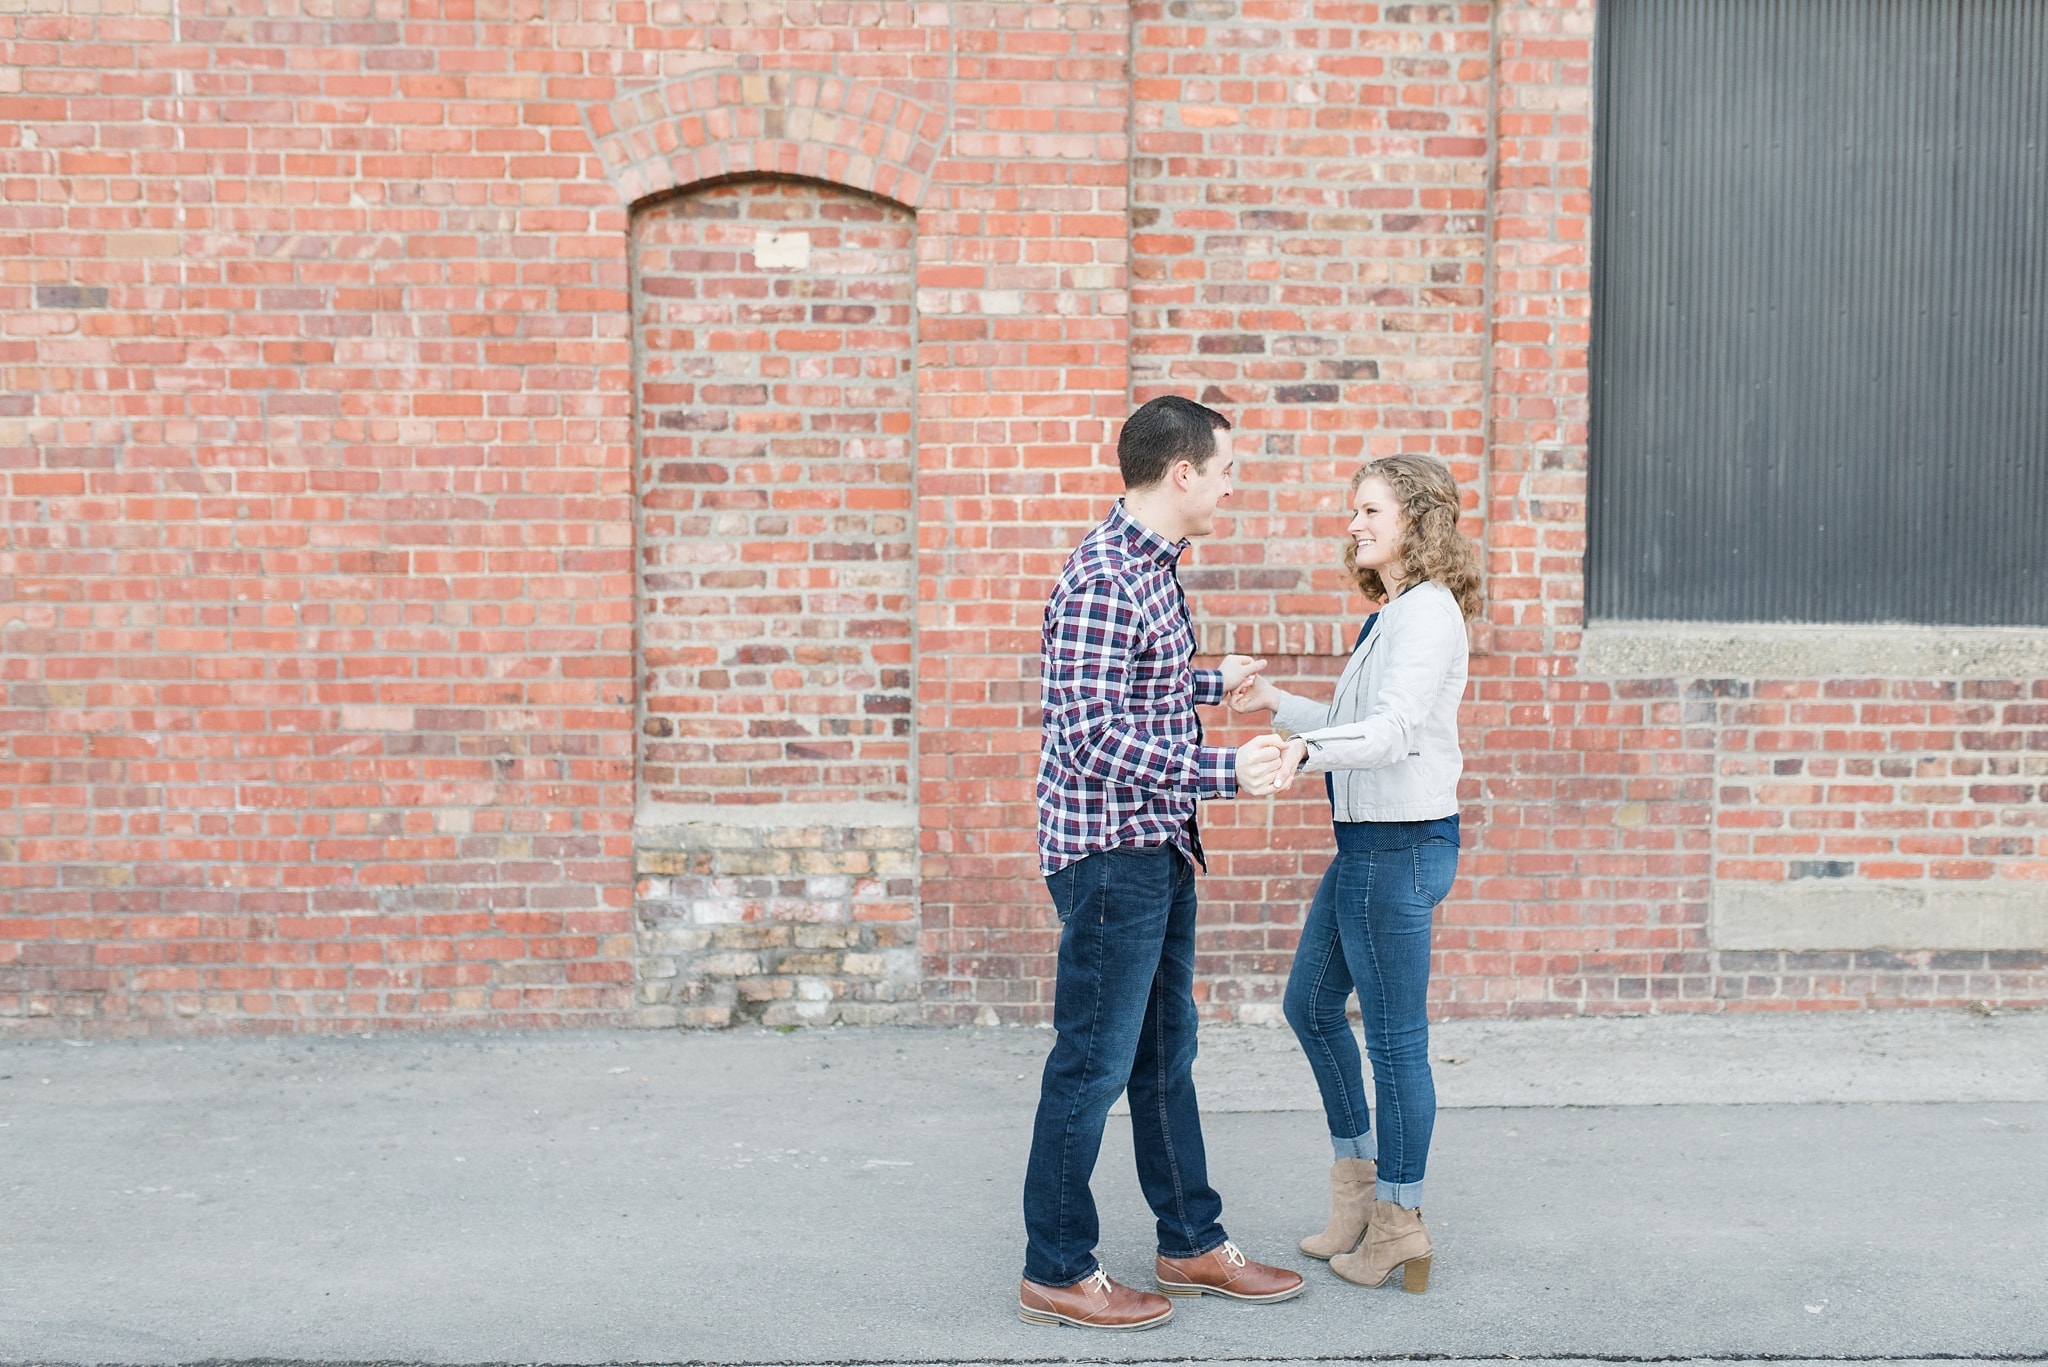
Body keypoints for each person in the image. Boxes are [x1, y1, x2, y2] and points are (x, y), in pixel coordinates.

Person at [1018, 395, 1307, 1332]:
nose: (1232, 484)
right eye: (1226, 469)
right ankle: (1056, 1267)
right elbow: (1092, 734)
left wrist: (1204, 682)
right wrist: (1229, 768)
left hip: (1156, 847)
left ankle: (1189, 1241)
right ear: (1182, 474)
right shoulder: (1106, 575)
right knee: (1093, 1068)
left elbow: (1128, 685)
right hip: (1111, 858)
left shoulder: (1148, 570)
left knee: (1162, 1059)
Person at [1227, 453, 1481, 1295]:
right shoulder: (1395, 612)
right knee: (1309, 1005)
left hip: (1401, 843)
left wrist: (1301, 752)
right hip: (1370, 843)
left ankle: (1399, 1223)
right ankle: (1359, 1193)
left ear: (1414, 516)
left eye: (1369, 509)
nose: (1354, 523)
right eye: (1354, 510)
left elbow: (1398, 731)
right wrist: (1284, 712)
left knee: (1397, 1040)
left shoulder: (1428, 615)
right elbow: (1354, 723)